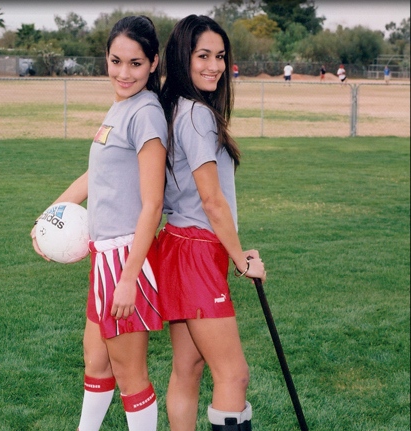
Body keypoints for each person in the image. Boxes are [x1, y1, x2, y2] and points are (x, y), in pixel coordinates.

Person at [30, 15, 167, 431]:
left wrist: (128, 278)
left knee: (130, 374)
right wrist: (46, 220)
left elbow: (153, 203)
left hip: (127, 256)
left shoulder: (146, 113)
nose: (123, 73)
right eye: (115, 61)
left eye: (135, 63)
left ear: (154, 63)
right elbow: (95, 177)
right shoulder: (121, 107)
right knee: (96, 359)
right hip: (105, 254)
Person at [158, 15, 267, 431]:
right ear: (182, 58)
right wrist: (242, 260)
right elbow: (212, 201)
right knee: (234, 375)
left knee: (188, 370)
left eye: (220, 56)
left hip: (178, 247)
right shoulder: (198, 116)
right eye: (203, 55)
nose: (214, 66)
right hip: (198, 251)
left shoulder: (174, 108)